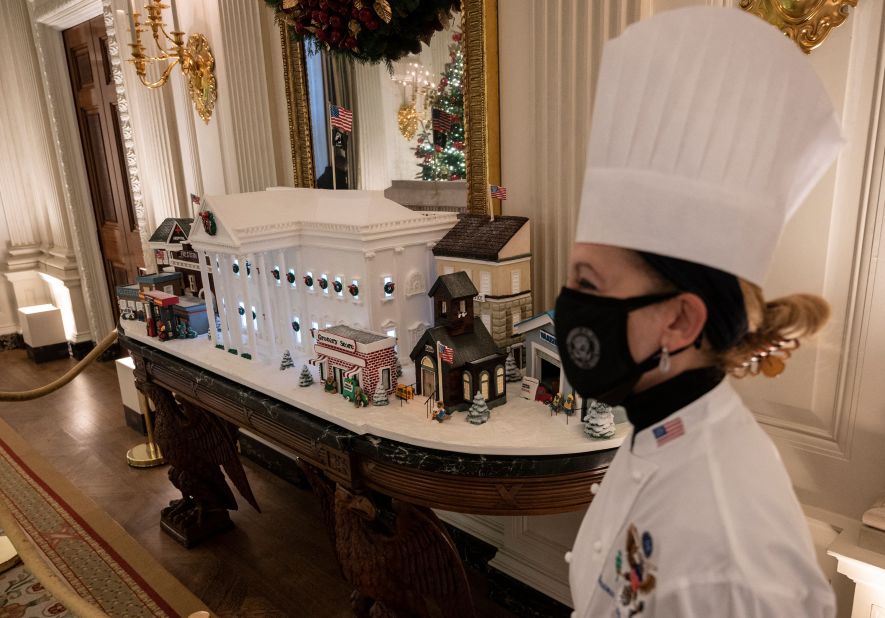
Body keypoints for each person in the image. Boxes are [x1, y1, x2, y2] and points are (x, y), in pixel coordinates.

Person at [557, 7, 842, 617]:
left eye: (588, 282)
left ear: (680, 322)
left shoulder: (727, 557)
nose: (569, 305)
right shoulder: (659, 426)